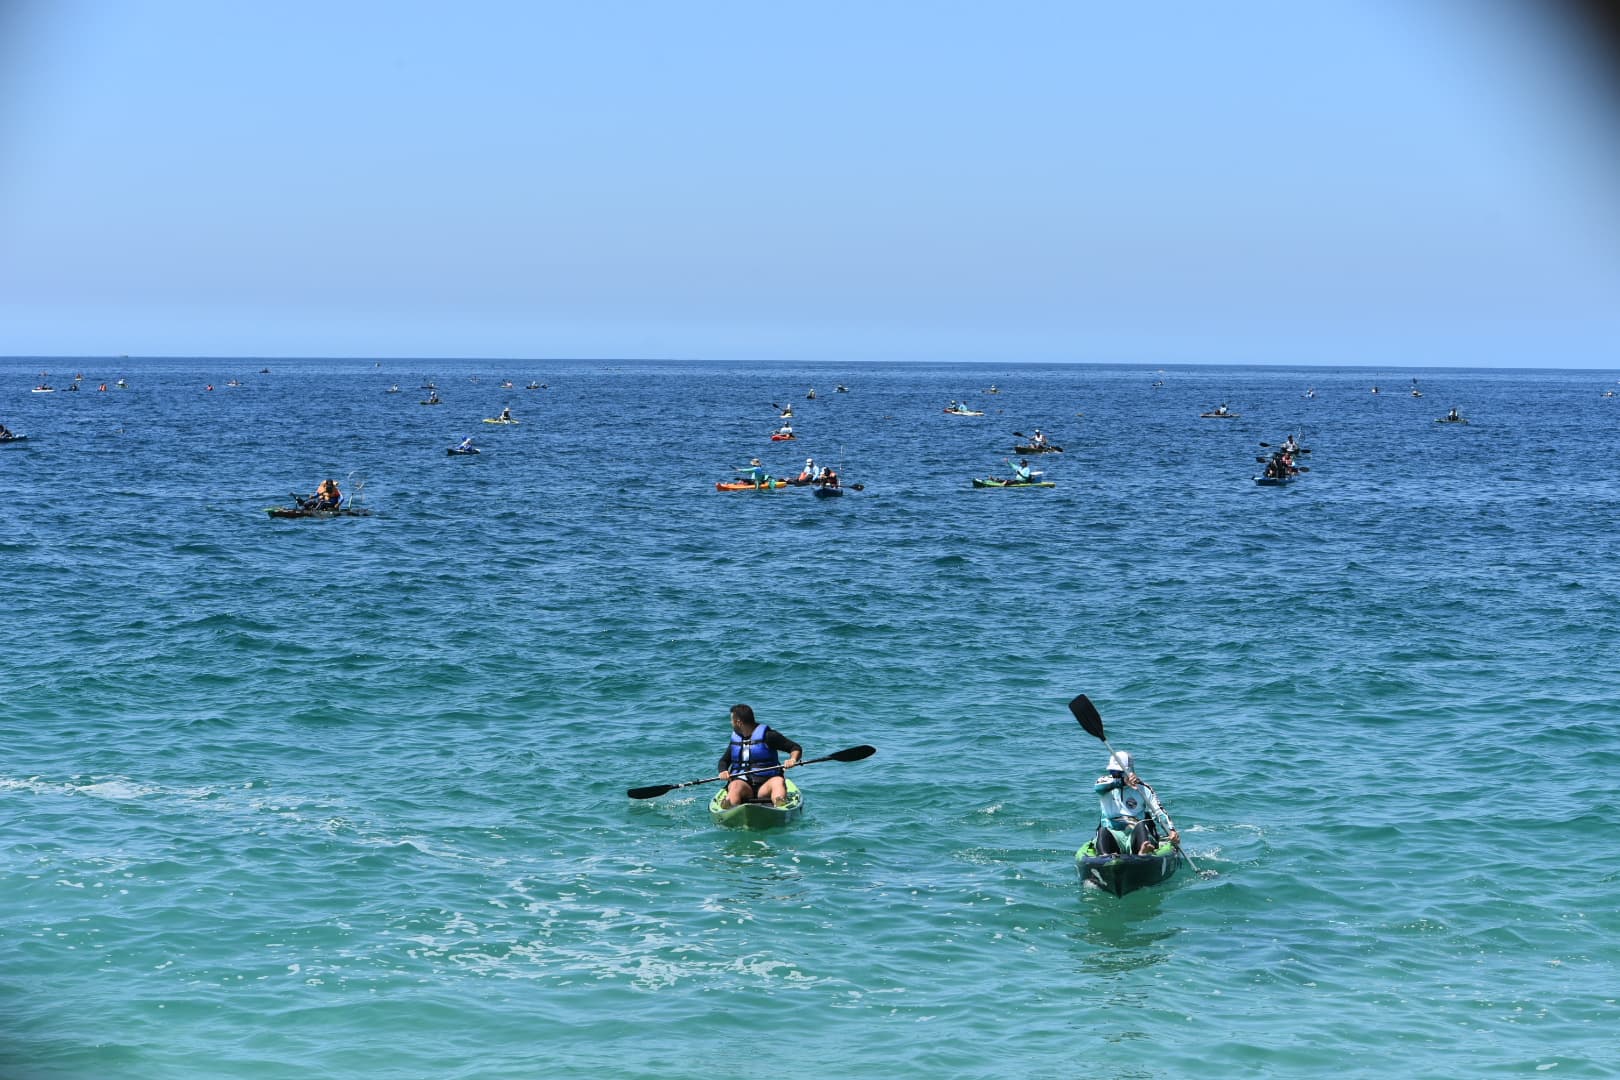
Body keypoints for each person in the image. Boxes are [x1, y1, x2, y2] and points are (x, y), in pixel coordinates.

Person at [1093, 750, 1179, 856]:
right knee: (1102, 831)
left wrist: (1171, 830)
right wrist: (1122, 782)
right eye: (1112, 771)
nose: (1114, 775)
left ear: (1129, 771)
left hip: (1134, 834)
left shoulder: (1143, 789)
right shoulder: (1104, 783)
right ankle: (1105, 859)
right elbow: (1097, 787)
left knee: (1141, 826)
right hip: (1113, 834)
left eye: (1118, 772)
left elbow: (1158, 812)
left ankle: (1143, 853)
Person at [717, 704, 803, 808]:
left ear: (738, 722)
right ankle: (730, 808)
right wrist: (723, 771)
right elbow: (724, 761)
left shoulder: (768, 736)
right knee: (735, 785)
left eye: (732, 720)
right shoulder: (736, 739)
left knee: (778, 781)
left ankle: (780, 805)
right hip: (744, 786)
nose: (731, 723)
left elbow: (795, 748)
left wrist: (792, 759)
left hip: (766, 785)